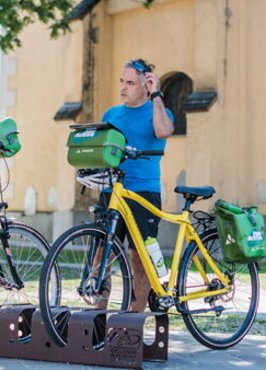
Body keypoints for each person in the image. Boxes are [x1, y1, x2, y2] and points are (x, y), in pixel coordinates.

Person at [100, 58, 174, 312]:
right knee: (101, 255)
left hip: (144, 192)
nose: (123, 87)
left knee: (138, 257)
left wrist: (157, 96)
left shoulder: (159, 110)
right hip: (111, 191)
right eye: (122, 81)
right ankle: (96, 317)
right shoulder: (110, 115)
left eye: (130, 83)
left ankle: (133, 321)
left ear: (146, 85)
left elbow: (164, 132)